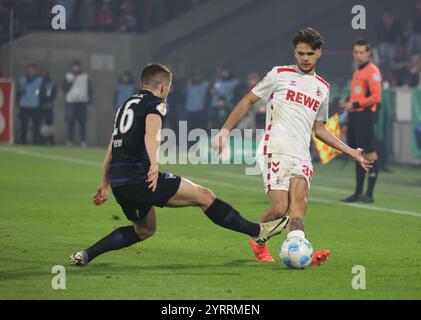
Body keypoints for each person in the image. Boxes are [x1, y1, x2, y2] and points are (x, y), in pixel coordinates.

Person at [69, 64, 289, 266]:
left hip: (120, 182)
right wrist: (154, 165)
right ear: (164, 87)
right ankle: (258, 230)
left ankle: (86, 254)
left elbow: (112, 145)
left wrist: (104, 183)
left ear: (141, 84)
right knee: (204, 196)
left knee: (144, 230)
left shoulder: (125, 105)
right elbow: (151, 134)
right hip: (141, 178)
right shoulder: (156, 104)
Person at [212, 27, 372, 264]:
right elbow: (248, 100)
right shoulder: (278, 75)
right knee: (279, 210)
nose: (305, 58)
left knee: (299, 205)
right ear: (294, 52)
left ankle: (299, 253)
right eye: (300, 53)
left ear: (319, 53)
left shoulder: (323, 88)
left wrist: (350, 151)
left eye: (309, 53)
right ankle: (258, 239)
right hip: (274, 149)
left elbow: (319, 130)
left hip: (301, 155)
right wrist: (225, 130)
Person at [341, 39, 382, 203]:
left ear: (368, 53)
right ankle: (358, 193)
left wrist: (355, 103)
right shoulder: (357, 71)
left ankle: (369, 194)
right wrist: (346, 101)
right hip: (354, 116)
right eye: (356, 52)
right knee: (357, 154)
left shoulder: (372, 71)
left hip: (365, 115)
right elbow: (355, 94)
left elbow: (376, 97)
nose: (358, 55)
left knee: (370, 154)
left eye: (361, 52)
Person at [63, 60, 92, 147]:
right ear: (72, 67)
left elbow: (90, 89)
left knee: (82, 123)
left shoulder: (85, 76)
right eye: (74, 66)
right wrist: (71, 81)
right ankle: (70, 140)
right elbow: (64, 88)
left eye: (78, 66)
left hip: (82, 102)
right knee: (71, 122)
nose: (76, 68)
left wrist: (89, 102)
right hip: (71, 102)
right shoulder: (68, 76)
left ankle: (83, 141)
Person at [17, 64, 43, 144]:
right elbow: (19, 92)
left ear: (35, 71)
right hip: (24, 105)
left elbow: (40, 92)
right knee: (23, 125)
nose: (30, 72)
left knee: (36, 125)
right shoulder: (22, 80)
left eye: (32, 70)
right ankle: (23, 141)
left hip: (35, 105)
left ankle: (36, 141)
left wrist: (37, 93)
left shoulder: (40, 80)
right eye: (29, 70)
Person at [40, 68, 57, 145]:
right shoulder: (39, 82)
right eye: (43, 73)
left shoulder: (52, 83)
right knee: (41, 124)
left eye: (45, 73)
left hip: (49, 106)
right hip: (40, 106)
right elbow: (37, 92)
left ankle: (51, 140)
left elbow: (54, 94)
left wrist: (50, 100)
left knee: (49, 124)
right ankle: (42, 140)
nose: (44, 74)